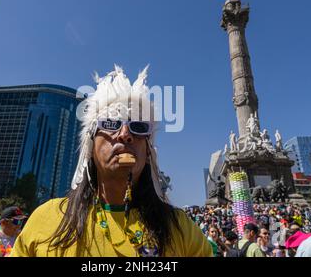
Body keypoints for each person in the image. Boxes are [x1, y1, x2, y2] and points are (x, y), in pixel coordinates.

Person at [11, 66, 213, 257]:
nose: (125, 134)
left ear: (149, 152)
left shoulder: (181, 227)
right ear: (90, 148)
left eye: (138, 127)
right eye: (110, 123)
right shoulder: (46, 218)